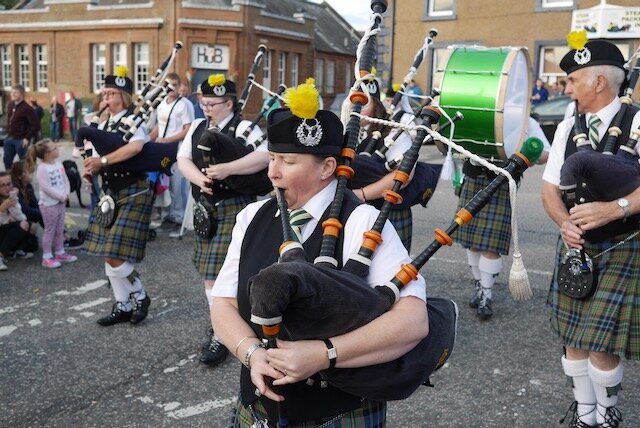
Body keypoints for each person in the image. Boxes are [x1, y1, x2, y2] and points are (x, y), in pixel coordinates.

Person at [211, 80, 427, 426]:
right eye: (273, 158)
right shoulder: (252, 217)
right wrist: (250, 353)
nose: (273, 171)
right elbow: (222, 303)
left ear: (327, 167)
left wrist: (325, 354)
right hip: (258, 407)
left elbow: (413, 322)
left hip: (337, 412)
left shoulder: (363, 222)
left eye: (289, 161)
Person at [541, 35, 640, 427]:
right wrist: (564, 222)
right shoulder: (568, 127)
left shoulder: (638, 122)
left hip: (624, 244)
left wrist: (613, 209)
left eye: (573, 80)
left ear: (599, 82)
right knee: (573, 338)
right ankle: (585, 413)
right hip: (575, 245)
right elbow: (549, 189)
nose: (566, 88)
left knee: (602, 343)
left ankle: (606, 410)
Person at [177, 73, 269, 367]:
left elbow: (267, 155)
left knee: (229, 272)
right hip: (206, 205)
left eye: (212, 104)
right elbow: (183, 159)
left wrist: (229, 168)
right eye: (203, 103)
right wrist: (200, 180)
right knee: (209, 273)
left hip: (234, 206)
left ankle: (229, 329)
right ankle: (221, 328)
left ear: (229, 103)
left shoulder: (244, 128)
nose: (206, 109)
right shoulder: (197, 126)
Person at [457, 116, 550, 320]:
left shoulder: (526, 121)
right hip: (474, 178)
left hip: (503, 183)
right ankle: (479, 285)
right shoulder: (485, 111)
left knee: (492, 245)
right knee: (471, 243)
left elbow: (545, 154)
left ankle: (486, 295)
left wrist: (527, 153)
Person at [82, 66, 154, 326]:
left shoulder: (134, 121)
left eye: (111, 93)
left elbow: (134, 148)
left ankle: (140, 294)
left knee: (113, 252)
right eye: (104, 93)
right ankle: (123, 304)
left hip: (133, 190)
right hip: (110, 191)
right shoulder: (103, 123)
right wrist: (89, 168)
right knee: (107, 253)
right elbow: (92, 152)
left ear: (122, 96)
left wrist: (102, 160)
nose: (106, 98)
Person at [351, 79, 417, 251]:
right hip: (353, 206)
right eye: (353, 102)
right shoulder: (350, 129)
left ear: (376, 104)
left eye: (364, 103)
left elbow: (405, 175)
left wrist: (362, 194)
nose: (357, 108)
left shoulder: (393, 129)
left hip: (388, 208)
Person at [148, 72, 194, 235]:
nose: (171, 88)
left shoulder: (184, 104)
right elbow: (159, 127)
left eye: (174, 85)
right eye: (168, 85)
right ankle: (168, 214)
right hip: (162, 149)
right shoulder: (161, 104)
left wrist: (167, 140)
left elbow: (188, 129)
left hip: (177, 149)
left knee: (177, 184)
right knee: (163, 183)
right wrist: (147, 139)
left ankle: (179, 217)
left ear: (179, 86)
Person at [26, 139, 77, 269]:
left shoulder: (58, 163)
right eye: (54, 148)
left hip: (60, 202)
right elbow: (45, 187)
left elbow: (65, 179)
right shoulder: (42, 168)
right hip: (49, 205)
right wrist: (60, 196)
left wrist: (66, 193)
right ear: (47, 154)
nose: (57, 150)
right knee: (50, 230)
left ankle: (60, 252)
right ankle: (47, 257)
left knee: (60, 229)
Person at [0, 172, 39, 271]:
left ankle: (14, 251)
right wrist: (1, 208)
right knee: (23, 225)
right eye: (3, 185)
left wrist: (13, 204)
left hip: (8, 229)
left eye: (9, 184)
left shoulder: (13, 197)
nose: (7, 188)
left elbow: (22, 217)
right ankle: (1, 255)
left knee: (32, 227)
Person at [3, 84, 39, 170]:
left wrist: (27, 137)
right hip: (10, 138)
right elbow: (9, 120)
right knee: (6, 160)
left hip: (21, 140)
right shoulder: (10, 105)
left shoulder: (27, 108)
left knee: (24, 162)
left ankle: (25, 180)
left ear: (22, 94)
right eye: (12, 92)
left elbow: (35, 125)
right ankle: (10, 179)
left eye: (15, 92)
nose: (12, 94)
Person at [10, 160, 43, 227]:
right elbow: (25, 210)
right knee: (43, 214)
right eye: (29, 172)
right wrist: (43, 212)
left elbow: (35, 203)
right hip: (17, 218)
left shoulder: (28, 186)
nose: (32, 174)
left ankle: (61, 234)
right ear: (20, 176)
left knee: (46, 213)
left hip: (26, 215)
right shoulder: (15, 190)